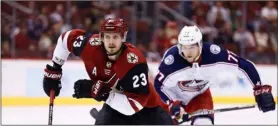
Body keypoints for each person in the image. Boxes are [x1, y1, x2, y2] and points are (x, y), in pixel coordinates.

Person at [42, 18, 173, 125]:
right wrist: (55, 68)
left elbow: (135, 105)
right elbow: (66, 39)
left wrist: (100, 93)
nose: (111, 42)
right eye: (107, 37)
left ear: (123, 38)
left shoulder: (134, 61)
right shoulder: (90, 46)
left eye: (115, 37)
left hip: (149, 111)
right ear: (101, 37)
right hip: (116, 106)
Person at [154, 25, 276, 125]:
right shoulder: (172, 60)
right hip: (173, 98)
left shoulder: (213, 54)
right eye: (184, 47)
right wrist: (172, 103)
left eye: (192, 47)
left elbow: (244, 65)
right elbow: (158, 85)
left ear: (200, 45)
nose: (188, 52)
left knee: (204, 123)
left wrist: (259, 88)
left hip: (199, 96)